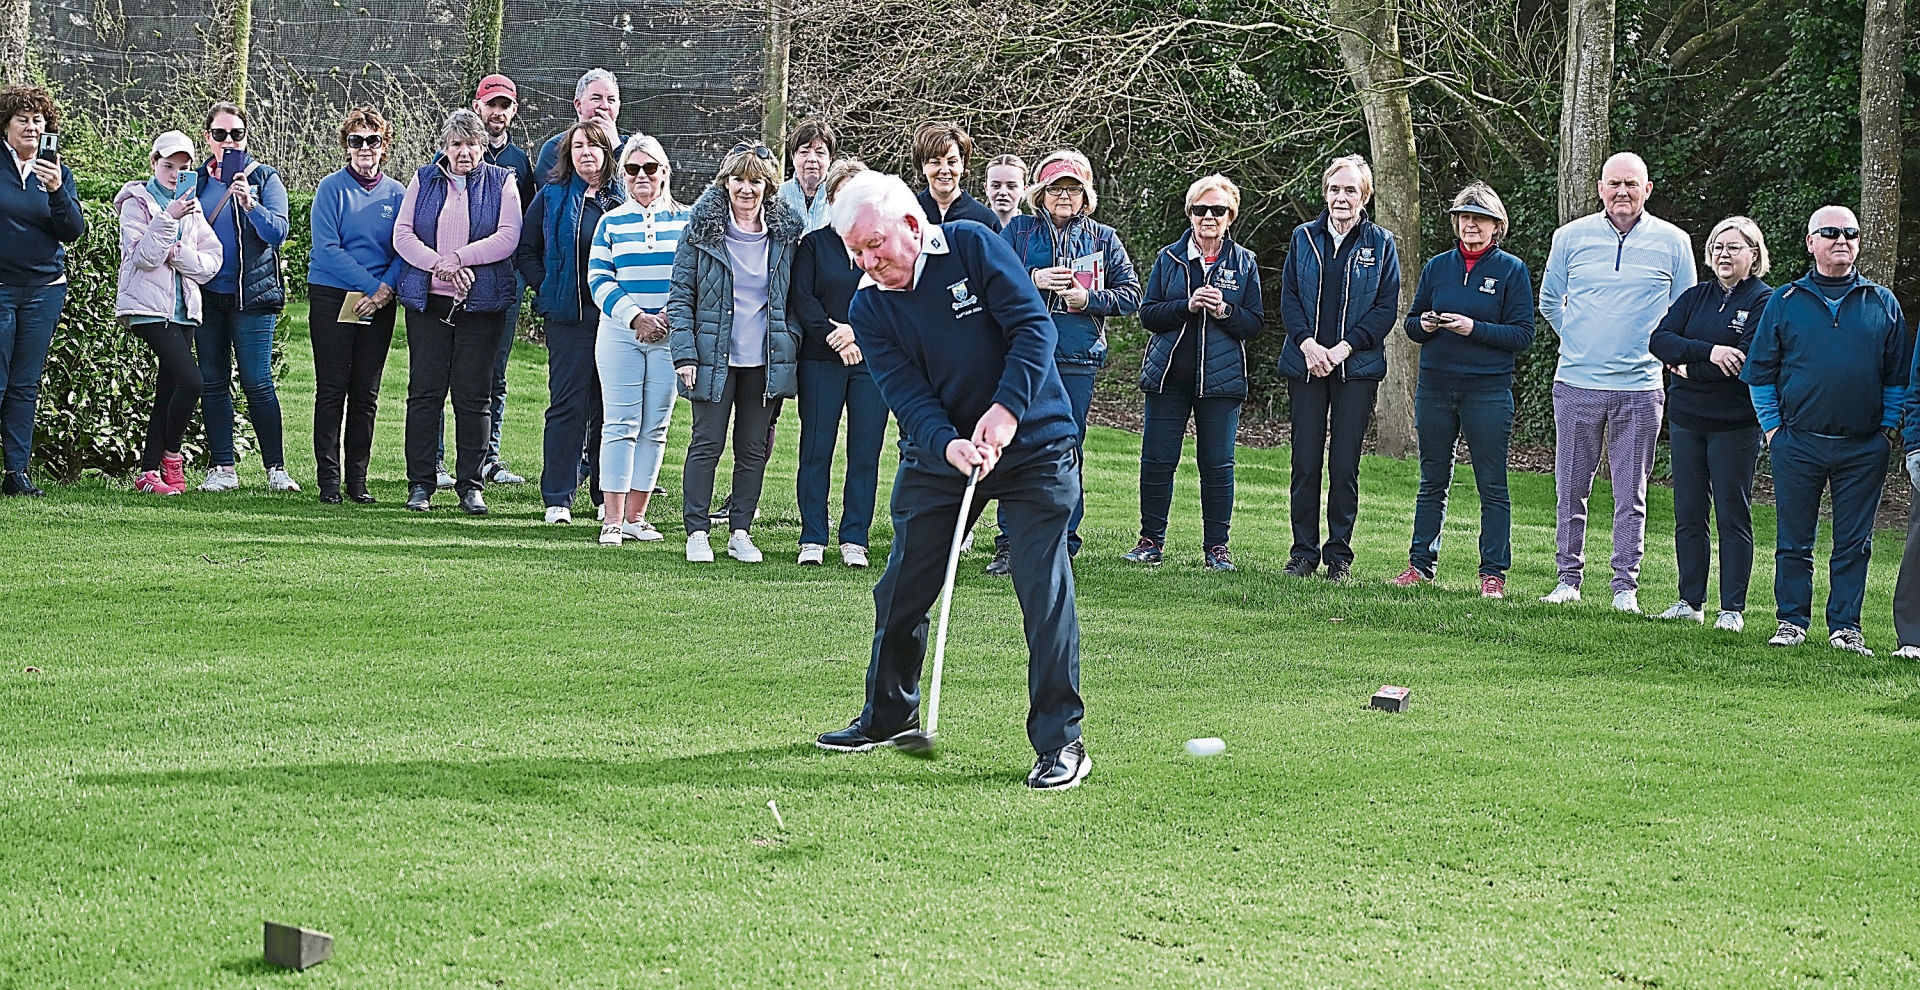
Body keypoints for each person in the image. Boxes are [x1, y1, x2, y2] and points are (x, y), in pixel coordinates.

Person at [812, 171, 1089, 790]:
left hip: (1036, 444)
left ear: (912, 226)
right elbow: (905, 394)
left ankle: (1061, 743)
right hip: (942, 456)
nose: (867, 261)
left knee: (1041, 589)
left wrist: (1006, 412)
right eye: (855, 252)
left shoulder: (969, 244)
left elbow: (1032, 329)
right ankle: (886, 717)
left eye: (873, 245)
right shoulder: (868, 304)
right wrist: (949, 444)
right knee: (902, 587)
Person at [1743, 206, 1907, 656]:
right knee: (1793, 540)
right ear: (1811, 241)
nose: (1842, 240)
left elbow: (1897, 377)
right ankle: (1792, 621)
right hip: (1797, 443)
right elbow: (1760, 373)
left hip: (1862, 447)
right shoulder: (1786, 300)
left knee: (1854, 543)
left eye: (1850, 233)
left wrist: (1885, 431)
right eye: (1831, 233)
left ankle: (1846, 628)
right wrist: (1774, 430)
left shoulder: (1880, 301)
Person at [1537, 152, 1695, 612]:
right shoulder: (1570, 237)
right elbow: (1550, 301)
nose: (1621, 192)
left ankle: (1625, 587)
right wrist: (1583, 341)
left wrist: (1658, 354)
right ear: (1600, 188)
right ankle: (1568, 579)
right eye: (1613, 184)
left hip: (1641, 387)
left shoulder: (1674, 241)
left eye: (1631, 184)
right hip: (1577, 382)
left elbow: (1682, 311)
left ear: (1647, 189)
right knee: (1571, 487)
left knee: (1632, 492)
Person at [991, 149, 1139, 571]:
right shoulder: (1017, 231)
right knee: (1015, 443)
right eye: (1057, 188)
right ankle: (1010, 543)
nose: (1065, 197)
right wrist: (1033, 279)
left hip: (1077, 356)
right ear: (1041, 192)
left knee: (1067, 448)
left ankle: (1063, 543)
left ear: (1085, 195)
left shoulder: (1103, 238)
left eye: (1073, 190)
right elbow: (991, 282)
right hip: (1025, 354)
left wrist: (1088, 298)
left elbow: (1131, 294)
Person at [1391, 182, 1534, 598]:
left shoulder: (1511, 270)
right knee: (1431, 479)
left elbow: (1522, 334)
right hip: (1435, 386)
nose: (1471, 224)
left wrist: (1474, 328)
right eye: (1464, 217)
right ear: (1456, 222)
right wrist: (1428, 325)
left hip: (1487, 391)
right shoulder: (1438, 266)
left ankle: (1493, 573)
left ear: (1496, 226)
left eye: (1480, 218)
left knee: (1492, 483)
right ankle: (1420, 565)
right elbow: (1411, 324)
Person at [666, 142, 805, 563]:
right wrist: (684, 354)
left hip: (762, 362)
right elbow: (680, 295)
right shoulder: (701, 231)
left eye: (755, 181)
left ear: (769, 186)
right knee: (706, 443)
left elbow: (795, 299)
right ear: (725, 183)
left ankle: (741, 531)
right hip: (712, 358)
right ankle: (697, 532)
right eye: (738, 180)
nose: (746, 189)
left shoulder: (787, 236)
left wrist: (791, 340)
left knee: (752, 448)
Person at [1128, 174, 1262, 570]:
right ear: (1189, 213)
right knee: (1157, 460)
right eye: (1200, 209)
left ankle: (1216, 548)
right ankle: (1150, 541)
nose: (1208, 216)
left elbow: (1254, 324)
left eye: (1217, 210)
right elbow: (1148, 313)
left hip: (1221, 381)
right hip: (1168, 377)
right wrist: (1186, 305)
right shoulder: (1169, 258)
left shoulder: (1244, 262)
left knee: (1217, 465)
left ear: (1231, 216)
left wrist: (1224, 311)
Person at [393, 108, 523, 514]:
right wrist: (439, 265)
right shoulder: (423, 179)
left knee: (473, 396)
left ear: (482, 145)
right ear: (444, 148)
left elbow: (508, 236)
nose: (463, 152)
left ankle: (471, 484)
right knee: (425, 393)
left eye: (470, 144)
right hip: (429, 304)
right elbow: (403, 234)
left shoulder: (503, 181)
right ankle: (421, 483)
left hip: (481, 306)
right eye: (455, 144)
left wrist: (460, 258)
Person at [1277, 154, 1401, 583]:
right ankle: (1303, 553)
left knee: (1345, 464)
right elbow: (1289, 298)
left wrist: (1344, 348)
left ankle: (1339, 556)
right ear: (1325, 193)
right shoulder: (1302, 238)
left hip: (1356, 368)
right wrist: (1309, 346)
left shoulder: (1381, 243)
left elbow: (1386, 308)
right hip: (1306, 364)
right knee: (1306, 463)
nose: (1341, 197)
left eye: (1350, 190)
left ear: (1364, 195)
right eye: (1335, 189)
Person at [1647, 216, 1772, 629]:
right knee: (1689, 513)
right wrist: (1712, 350)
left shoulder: (1763, 300)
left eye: (1734, 248)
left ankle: (1732, 608)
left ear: (1753, 255)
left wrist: (1685, 368)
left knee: (1732, 514)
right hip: (1686, 421)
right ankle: (1690, 601)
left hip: (1735, 425)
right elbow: (1660, 341)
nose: (1723, 255)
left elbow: (1744, 362)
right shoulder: (1695, 296)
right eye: (1718, 247)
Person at [517, 121, 623, 524]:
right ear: (568, 153)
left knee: (609, 409)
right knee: (566, 406)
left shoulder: (623, 199)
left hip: (614, 320)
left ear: (608, 152)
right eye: (578, 146)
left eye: (594, 146)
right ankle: (558, 496)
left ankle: (603, 495)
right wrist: (548, 288)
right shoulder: (552, 196)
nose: (586, 153)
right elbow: (526, 251)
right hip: (568, 319)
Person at [588, 134, 688, 546]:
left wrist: (667, 316)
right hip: (620, 333)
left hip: (671, 334)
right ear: (623, 175)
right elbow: (599, 278)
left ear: (665, 172)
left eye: (650, 168)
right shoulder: (610, 221)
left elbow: (691, 276)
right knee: (620, 423)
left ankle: (636, 517)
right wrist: (636, 318)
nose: (642, 176)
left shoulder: (686, 220)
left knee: (656, 427)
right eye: (632, 169)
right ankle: (611, 519)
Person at [192, 100, 296, 493]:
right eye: (220, 134)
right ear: (208, 138)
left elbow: (278, 233)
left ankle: (276, 469)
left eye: (236, 134)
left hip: (253, 298)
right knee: (213, 381)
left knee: (257, 381)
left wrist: (250, 204)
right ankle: (223, 468)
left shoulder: (265, 178)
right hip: (207, 295)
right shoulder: (196, 180)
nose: (229, 141)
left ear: (246, 137)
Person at [789, 158, 887, 567]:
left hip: (872, 361)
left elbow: (891, 296)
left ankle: (855, 538)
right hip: (821, 359)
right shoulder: (813, 244)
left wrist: (858, 335)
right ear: (830, 199)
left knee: (864, 451)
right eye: (840, 194)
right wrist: (837, 337)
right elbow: (803, 300)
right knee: (816, 448)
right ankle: (813, 536)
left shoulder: (884, 246)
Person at [307, 106, 405, 505]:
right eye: (356, 140)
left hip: (380, 301)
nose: (365, 148)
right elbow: (326, 249)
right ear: (346, 146)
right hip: (334, 295)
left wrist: (385, 291)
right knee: (332, 390)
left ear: (385, 146)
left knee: (366, 393)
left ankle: (358, 481)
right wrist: (371, 287)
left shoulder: (399, 193)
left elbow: (406, 246)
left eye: (372, 140)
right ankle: (329, 482)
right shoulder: (330, 188)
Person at [114, 130, 219, 496]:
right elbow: (143, 256)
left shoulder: (193, 206)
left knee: (169, 388)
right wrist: (169, 217)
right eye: (168, 165)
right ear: (154, 162)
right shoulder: (136, 203)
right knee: (193, 382)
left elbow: (211, 261)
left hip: (184, 310)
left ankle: (147, 472)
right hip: (147, 309)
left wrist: (180, 254)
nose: (175, 174)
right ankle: (171, 456)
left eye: (183, 168)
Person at [445, 73, 535, 487]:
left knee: (493, 372)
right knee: (447, 369)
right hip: (451, 278)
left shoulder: (520, 162)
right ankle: (439, 460)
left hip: (500, 281)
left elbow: (523, 227)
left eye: (505, 106)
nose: (497, 113)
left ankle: (488, 458)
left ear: (513, 111)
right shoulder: (449, 159)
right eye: (491, 105)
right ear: (478, 106)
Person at [0, 85, 83, 497]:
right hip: (1, 289)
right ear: (6, 125)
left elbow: (72, 231)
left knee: (24, 384)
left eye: (38, 121)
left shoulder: (57, 172)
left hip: (44, 290)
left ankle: (16, 475)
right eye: (23, 119)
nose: (32, 127)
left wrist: (56, 193)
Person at [534, 68, 624, 188]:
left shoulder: (630, 148)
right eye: (596, 98)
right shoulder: (555, 148)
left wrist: (617, 149)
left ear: (618, 107)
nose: (605, 106)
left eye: (611, 100)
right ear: (578, 105)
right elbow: (550, 199)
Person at [911, 120, 1001, 231]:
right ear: (923, 165)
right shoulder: (906, 215)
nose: (944, 170)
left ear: (962, 163)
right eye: (935, 162)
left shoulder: (987, 221)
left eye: (952, 162)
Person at [777, 119, 835, 232]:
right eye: (804, 152)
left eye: (820, 153)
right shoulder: (778, 197)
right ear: (793, 156)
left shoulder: (841, 198)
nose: (812, 159)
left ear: (830, 158)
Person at [983, 153, 1027, 230]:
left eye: (1011, 186)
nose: (1003, 192)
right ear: (986, 188)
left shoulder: (1034, 232)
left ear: (1024, 190)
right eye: (996, 186)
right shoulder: (975, 229)